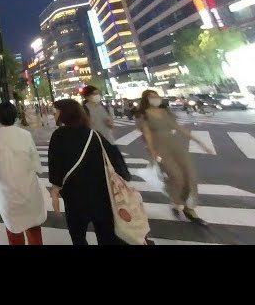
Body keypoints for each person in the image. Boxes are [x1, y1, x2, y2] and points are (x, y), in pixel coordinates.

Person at [48, 99, 131, 245]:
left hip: (74, 196)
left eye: (56, 111)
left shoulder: (58, 136)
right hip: (101, 194)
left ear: (64, 113)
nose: (54, 114)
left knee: (78, 235)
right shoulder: (94, 134)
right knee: (106, 235)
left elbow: (55, 167)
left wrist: (55, 193)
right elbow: (114, 159)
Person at [136, 89, 211, 225]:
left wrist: (198, 141)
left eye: (156, 96)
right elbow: (147, 135)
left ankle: (189, 208)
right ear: (146, 100)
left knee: (190, 175)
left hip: (176, 145)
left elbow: (179, 128)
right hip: (160, 148)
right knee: (176, 177)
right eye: (151, 97)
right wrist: (153, 153)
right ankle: (176, 202)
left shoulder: (165, 112)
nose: (155, 98)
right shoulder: (144, 115)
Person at [0, 102, 46, 245]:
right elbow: (37, 165)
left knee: (14, 234)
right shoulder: (25, 135)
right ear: (16, 116)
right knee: (34, 233)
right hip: (29, 191)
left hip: (9, 195)